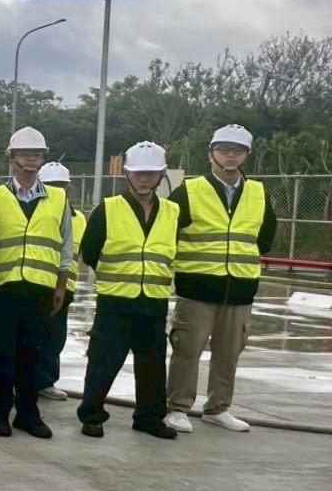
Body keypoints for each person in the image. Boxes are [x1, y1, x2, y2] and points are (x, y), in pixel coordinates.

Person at [164, 124, 278, 434]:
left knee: (229, 353)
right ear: (211, 154)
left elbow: (265, 237)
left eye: (237, 150)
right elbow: (167, 232)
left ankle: (218, 408)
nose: (230, 155)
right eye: (224, 149)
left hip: (239, 290)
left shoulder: (258, 192)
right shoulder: (188, 191)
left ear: (246, 156)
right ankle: (177, 408)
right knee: (188, 351)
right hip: (197, 290)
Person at [76, 141, 180, 439]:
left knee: (152, 364)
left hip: (154, 301)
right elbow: (90, 253)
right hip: (115, 301)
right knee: (103, 361)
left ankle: (149, 417)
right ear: (127, 175)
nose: (144, 179)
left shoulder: (172, 212)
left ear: (161, 174)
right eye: (138, 173)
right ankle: (92, 415)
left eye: (150, 173)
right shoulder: (108, 209)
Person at [0, 127, 71, 440]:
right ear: (12, 158)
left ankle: (28, 413)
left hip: (40, 289)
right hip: (2, 287)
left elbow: (65, 248)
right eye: (24, 153)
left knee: (33, 353)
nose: (31, 159)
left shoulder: (58, 197)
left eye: (37, 154)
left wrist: (61, 286)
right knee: (2, 354)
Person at [36, 162, 83, 401]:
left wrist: (64, 286)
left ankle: (46, 381)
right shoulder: (37, 211)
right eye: (52, 185)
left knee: (55, 339)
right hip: (38, 284)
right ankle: (25, 379)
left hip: (64, 289)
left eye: (61, 186)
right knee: (32, 337)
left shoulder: (79, 218)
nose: (58, 190)